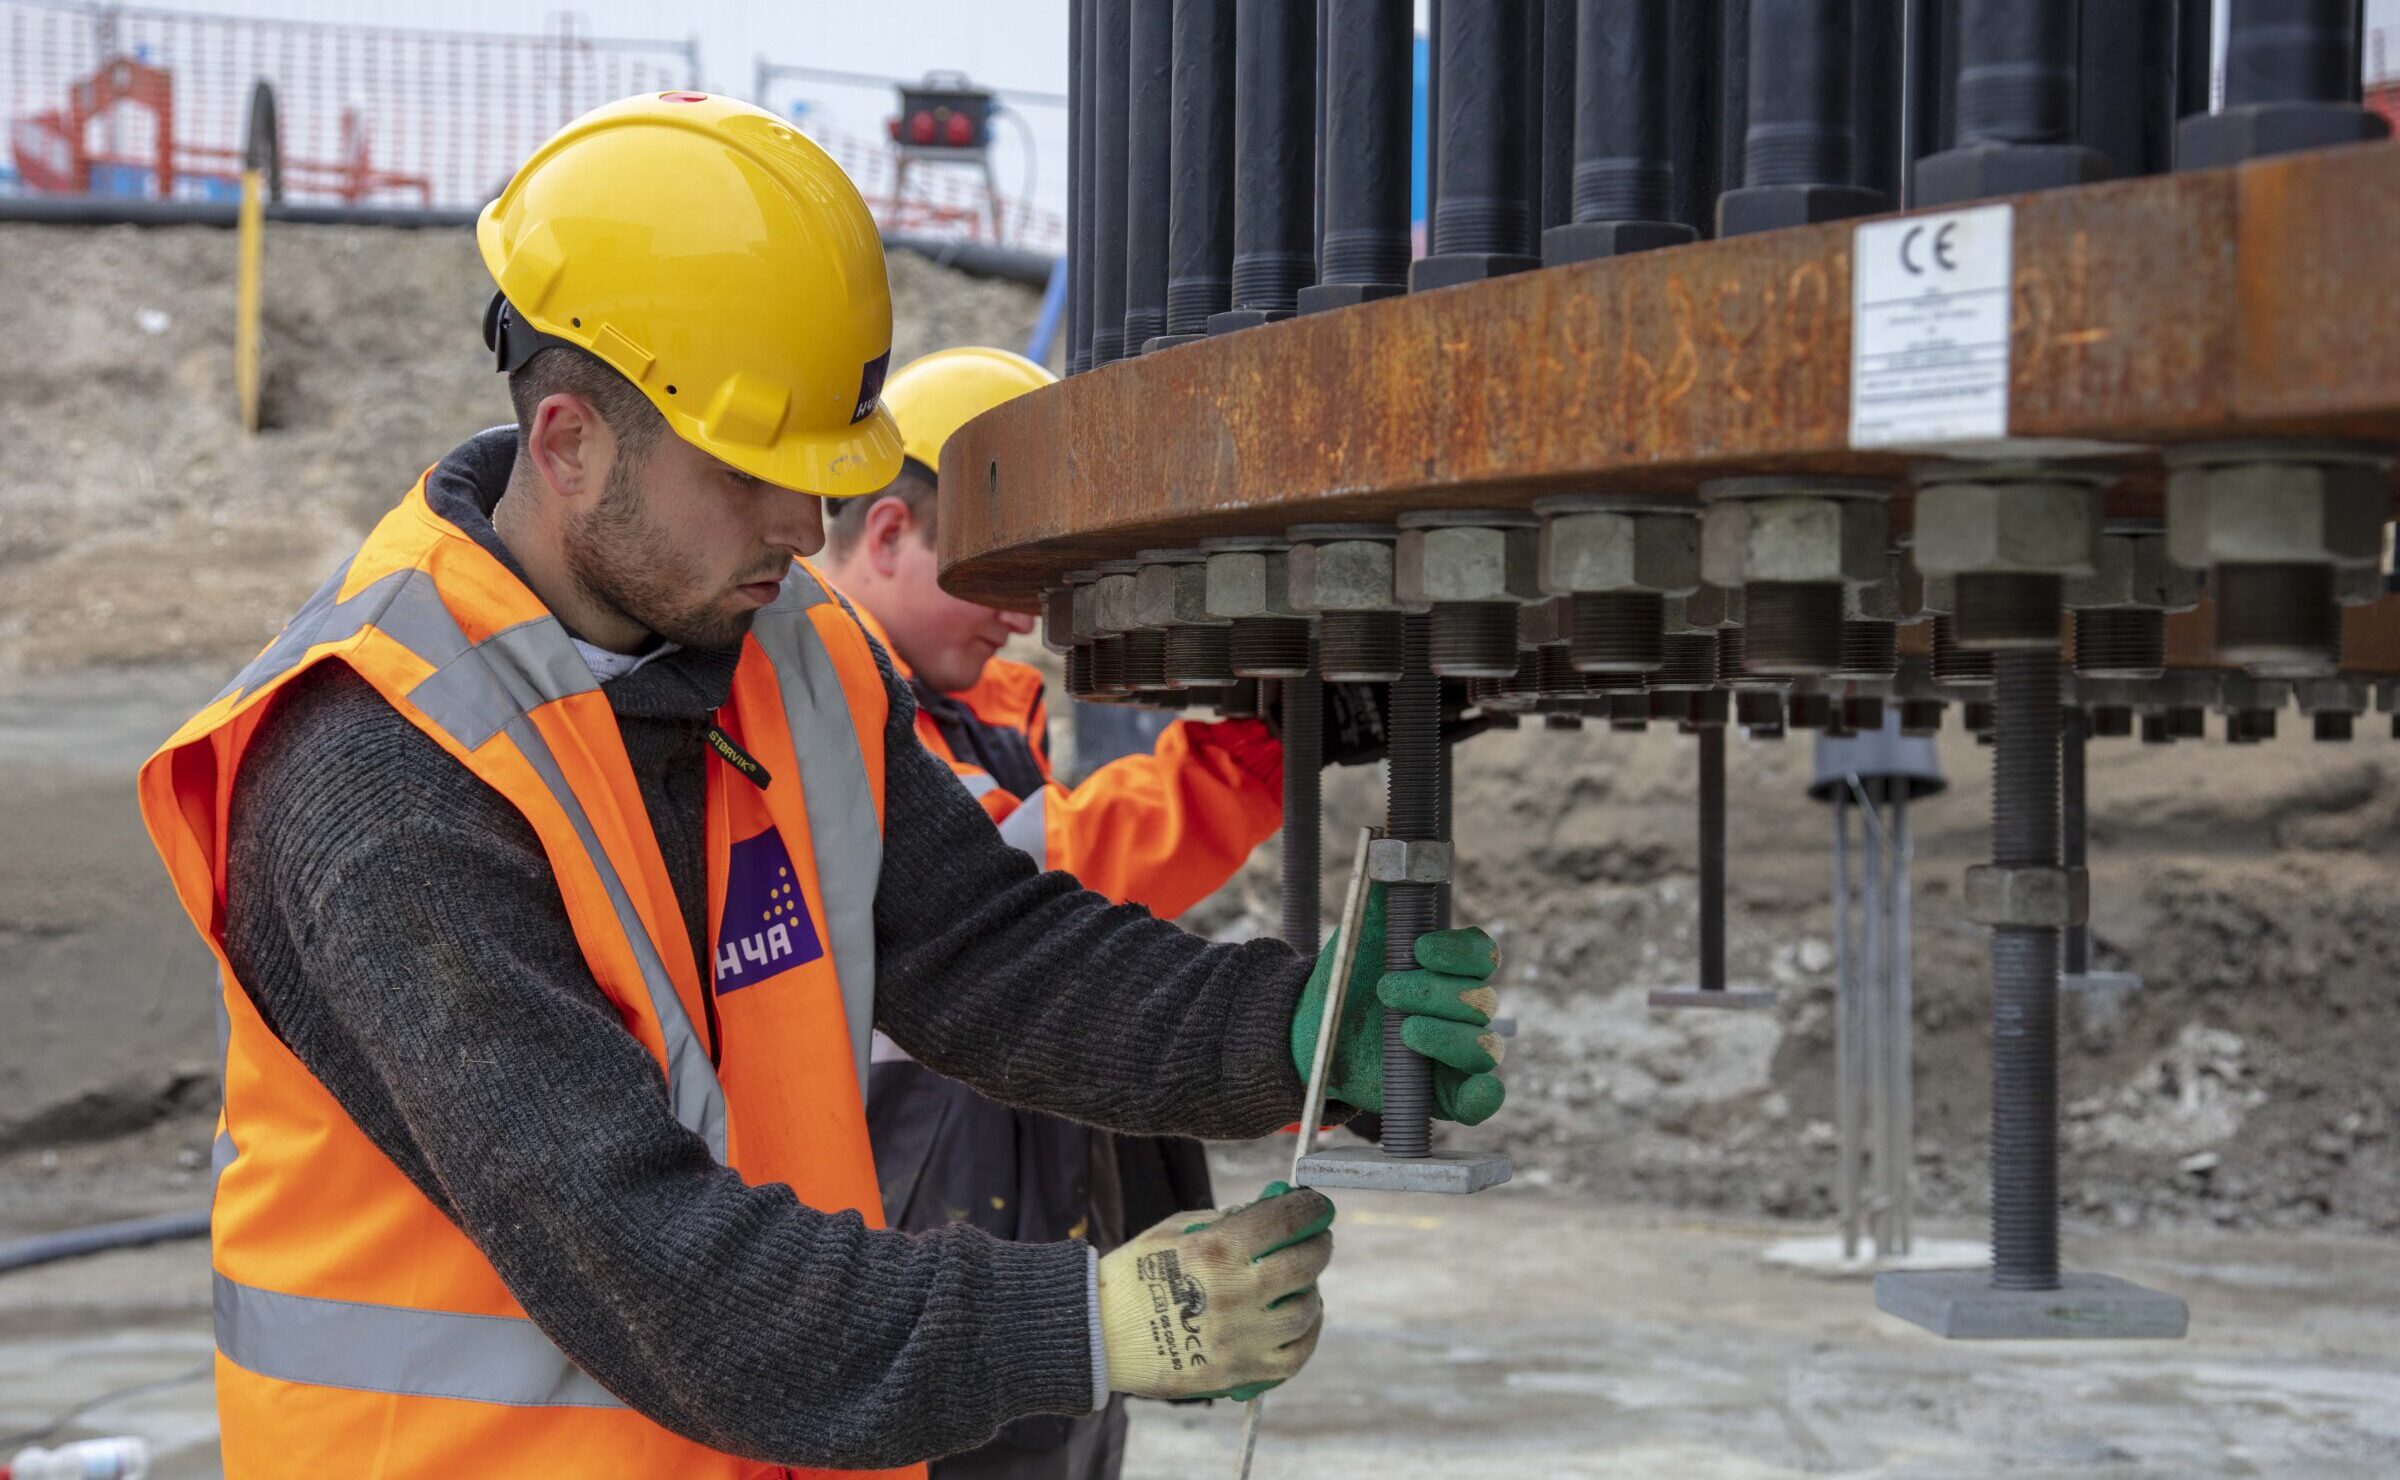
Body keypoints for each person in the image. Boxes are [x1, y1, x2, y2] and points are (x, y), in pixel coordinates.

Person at [134, 92, 1508, 1479]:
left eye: (823, 478)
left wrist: (1282, 1032)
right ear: (568, 444)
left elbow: (983, 950)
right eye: (752, 475)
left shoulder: (787, 651)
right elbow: (649, 1262)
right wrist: (1091, 1322)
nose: (807, 530)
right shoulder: (379, 766)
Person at [820, 347, 1281, 1479]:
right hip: (921, 1223)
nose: (1020, 624)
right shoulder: (821, 695)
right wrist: (1257, 754)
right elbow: (1036, 878)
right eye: (998, 579)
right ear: (888, 533)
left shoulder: (969, 710)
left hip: (998, 1198)